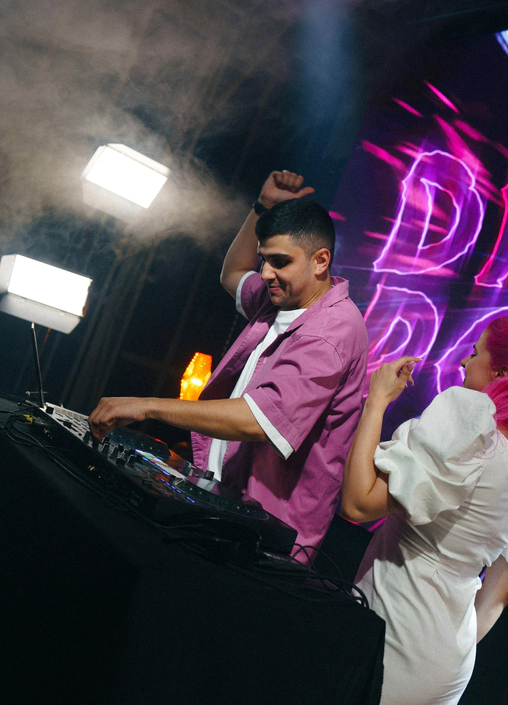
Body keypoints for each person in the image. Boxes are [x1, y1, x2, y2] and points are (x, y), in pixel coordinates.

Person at [89, 170, 369, 556]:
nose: (265, 273)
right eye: (264, 259)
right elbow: (233, 273)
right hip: (228, 505)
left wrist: (146, 406)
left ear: (321, 261)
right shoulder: (283, 297)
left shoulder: (330, 332)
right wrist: (263, 207)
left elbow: (259, 420)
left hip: (268, 536)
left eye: (280, 262)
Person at [341, 316, 508, 705]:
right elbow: (502, 587)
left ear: (500, 372)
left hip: (395, 633)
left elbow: (358, 504)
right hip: (449, 659)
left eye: (476, 353)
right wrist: (446, 647)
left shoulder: (470, 423)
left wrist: (376, 401)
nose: (465, 361)